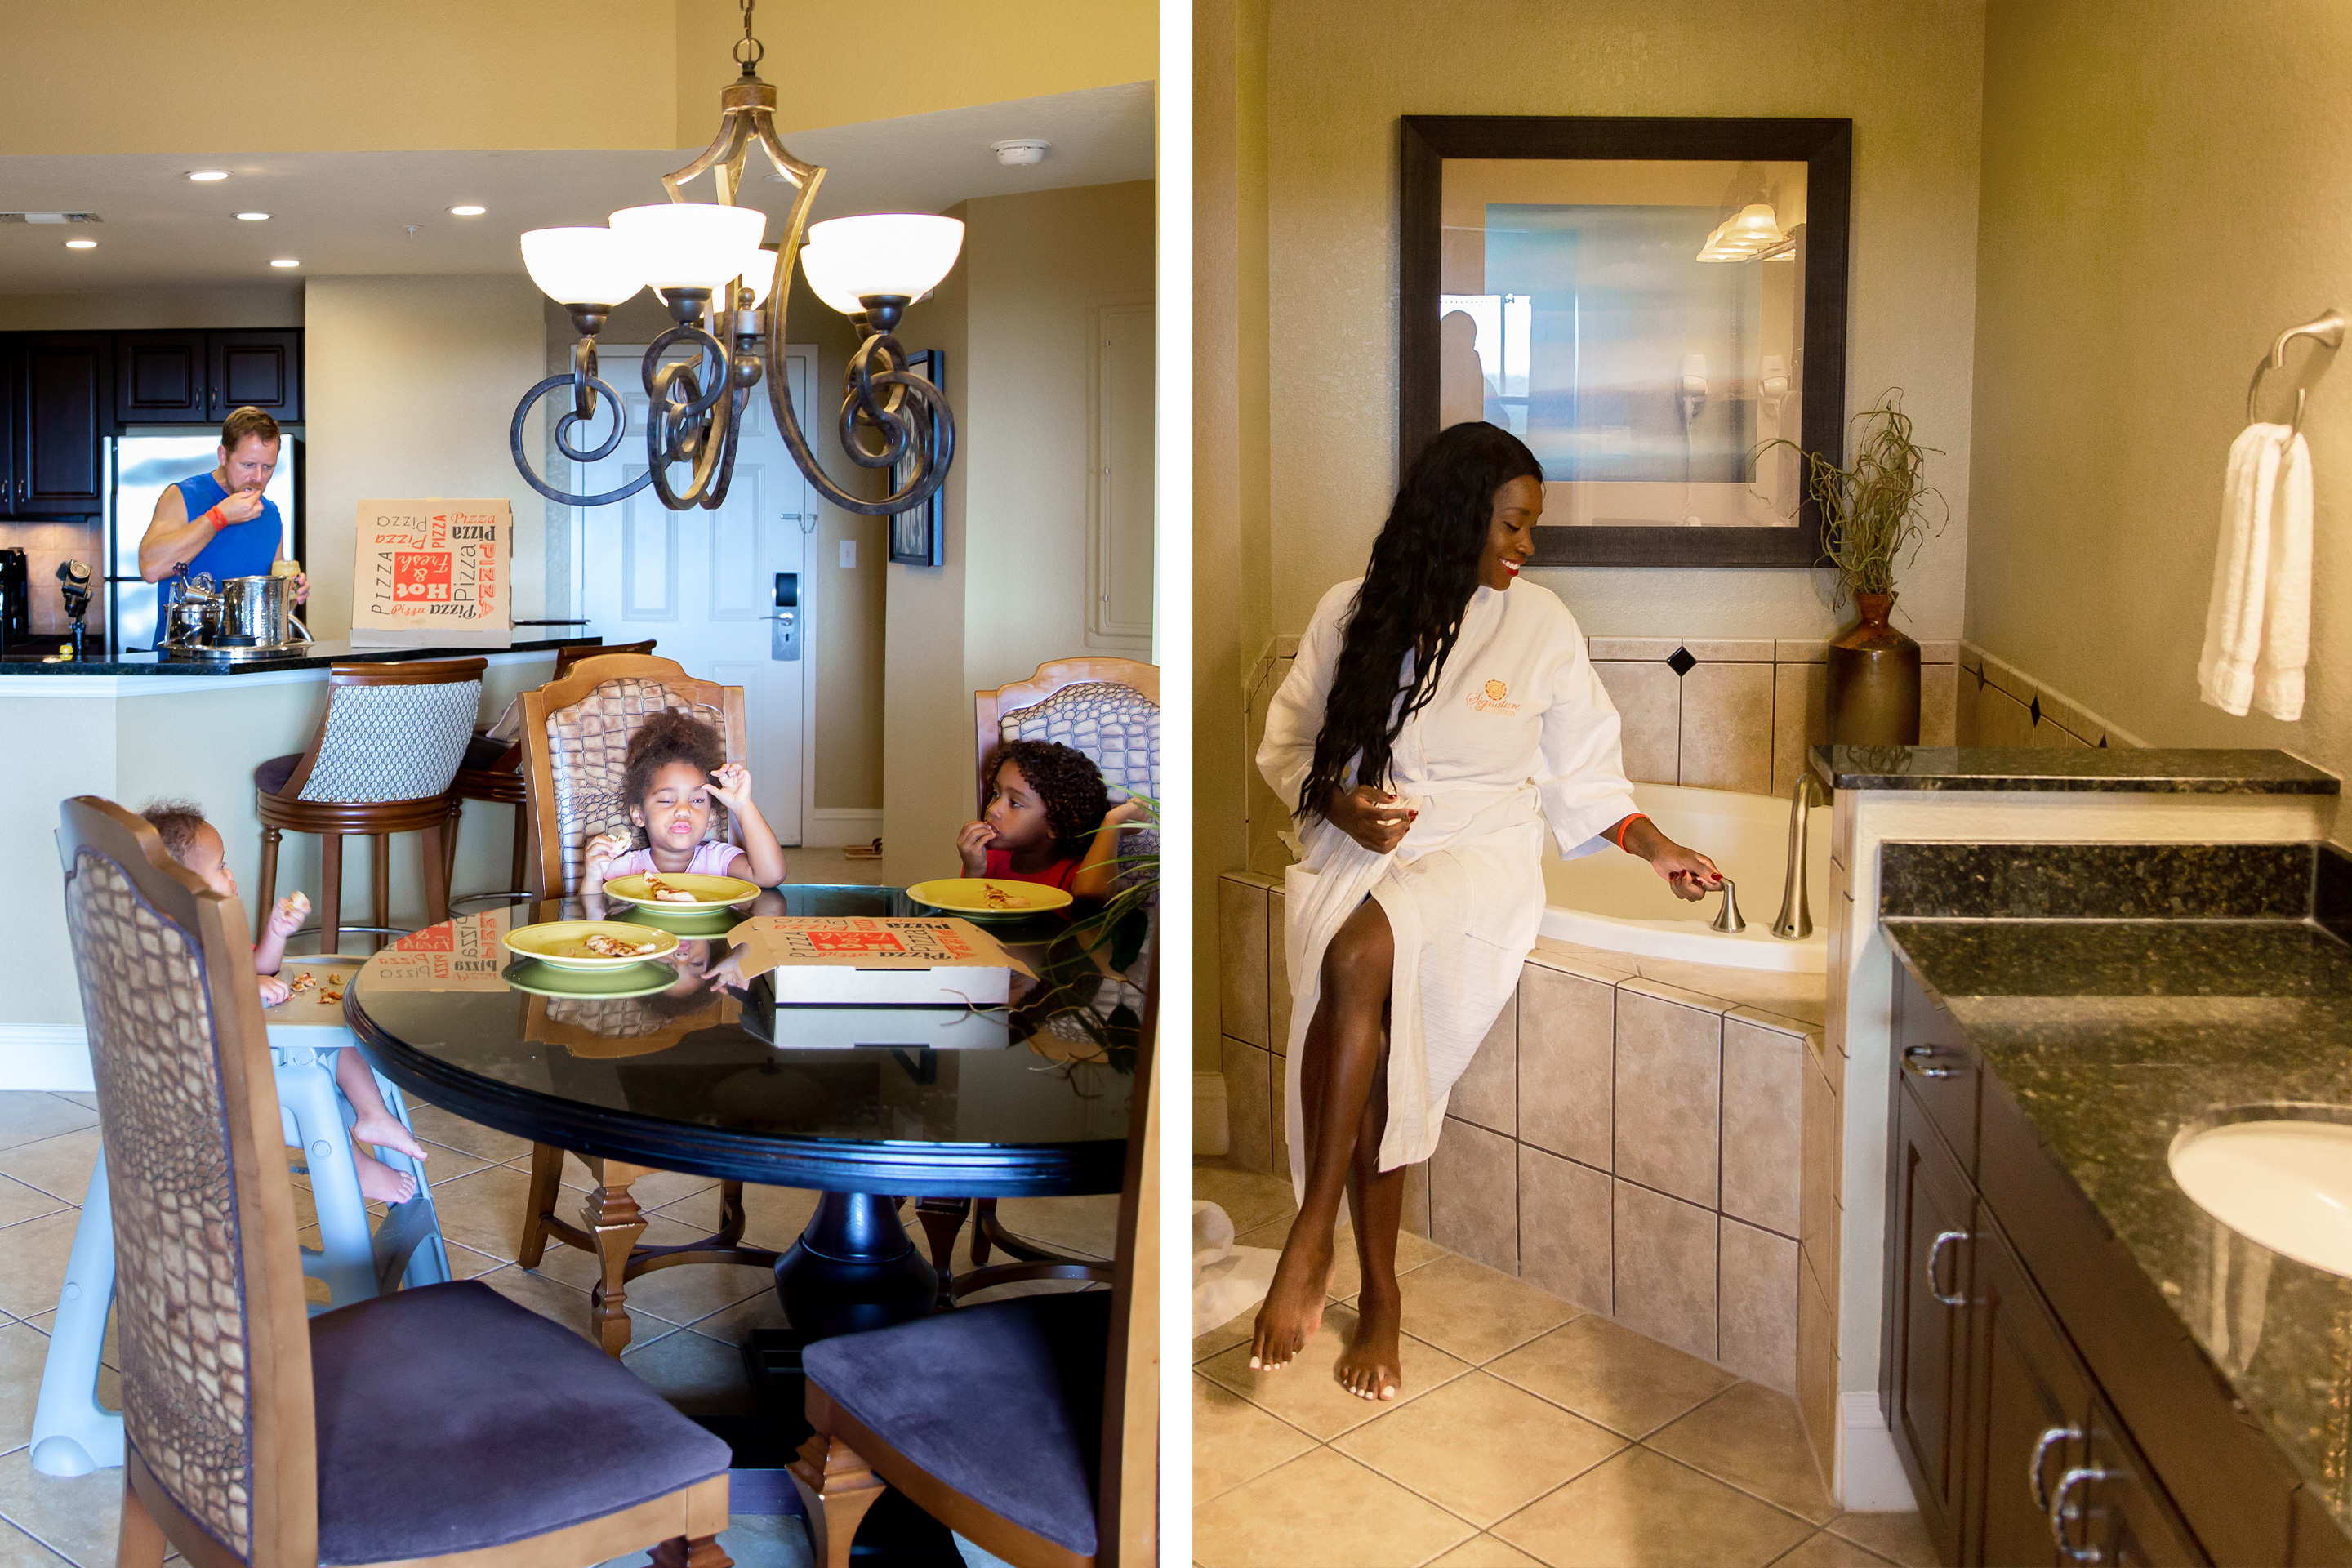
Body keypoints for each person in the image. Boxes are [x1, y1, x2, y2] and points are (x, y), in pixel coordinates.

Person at [1252, 421, 1723, 1401]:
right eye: (1513, 523)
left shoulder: (1543, 625)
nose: (1526, 545)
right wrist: (1340, 801)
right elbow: (1292, 745)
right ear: (1459, 515)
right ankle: (1379, 1294)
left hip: (1480, 855)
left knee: (1357, 960)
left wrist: (1656, 847)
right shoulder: (1352, 610)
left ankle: (1312, 1230)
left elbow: (1585, 777)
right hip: (1361, 842)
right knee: (1365, 1000)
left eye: (1530, 527)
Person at [139, 801, 429, 1205]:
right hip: (223, 1078)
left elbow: (259, 967)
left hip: (260, 1053)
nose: (231, 874)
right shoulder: (170, 948)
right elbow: (194, 999)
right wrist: (243, 986)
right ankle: (357, 1170)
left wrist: (276, 935)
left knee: (343, 1036)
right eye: (220, 868)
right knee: (316, 1080)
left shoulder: (217, 924)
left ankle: (374, 1116)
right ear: (183, 888)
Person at [581, 709, 788, 893]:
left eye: (697, 800)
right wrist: (592, 877)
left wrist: (742, 805)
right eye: (667, 800)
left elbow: (771, 875)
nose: (683, 810)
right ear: (639, 814)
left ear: (711, 818)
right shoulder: (626, 869)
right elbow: (595, 917)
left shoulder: (718, 860)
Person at [136, 407, 307, 605]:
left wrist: (293, 595)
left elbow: (272, 605)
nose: (259, 478)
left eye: (268, 467)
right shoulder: (181, 496)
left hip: (248, 638)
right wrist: (220, 517)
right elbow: (150, 568)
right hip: (185, 637)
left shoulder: (270, 515)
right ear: (223, 456)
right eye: (248, 465)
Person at [957, 739, 1146, 903]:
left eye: (1014, 803)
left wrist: (1112, 824)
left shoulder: (1078, 875)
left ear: (1057, 824)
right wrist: (974, 873)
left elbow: (1091, 895)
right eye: (996, 794)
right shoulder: (985, 864)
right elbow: (966, 926)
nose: (992, 809)